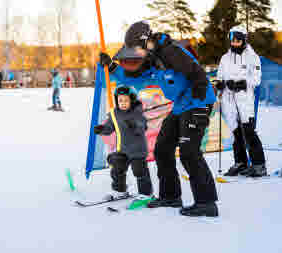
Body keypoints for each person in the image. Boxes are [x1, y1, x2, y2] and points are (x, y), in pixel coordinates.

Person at [99, 20, 218, 217]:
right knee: (162, 148)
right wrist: (112, 67)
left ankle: (207, 203)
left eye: (136, 47)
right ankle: (170, 196)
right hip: (180, 106)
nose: (135, 52)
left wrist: (198, 93)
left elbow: (195, 71)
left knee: (189, 152)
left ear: (145, 42)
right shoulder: (151, 59)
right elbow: (133, 77)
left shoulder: (169, 52)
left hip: (197, 103)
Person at [216, 25, 266, 177]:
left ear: (244, 40)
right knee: (235, 132)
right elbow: (220, 76)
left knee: (248, 131)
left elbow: (256, 79)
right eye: (232, 40)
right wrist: (220, 83)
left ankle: (259, 165)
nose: (235, 43)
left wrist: (242, 83)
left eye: (238, 40)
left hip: (244, 98)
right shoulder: (225, 58)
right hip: (228, 98)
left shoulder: (252, 57)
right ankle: (241, 163)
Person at [94, 84, 153, 201]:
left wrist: (134, 125)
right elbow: (109, 127)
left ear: (132, 100)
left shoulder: (137, 112)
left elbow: (142, 127)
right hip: (123, 149)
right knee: (117, 168)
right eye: (120, 100)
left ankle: (146, 194)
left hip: (138, 150)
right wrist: (102, 129)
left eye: (126, 100)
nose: (123, 103)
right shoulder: (115, 114)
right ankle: (120, 191)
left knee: (139, 171)